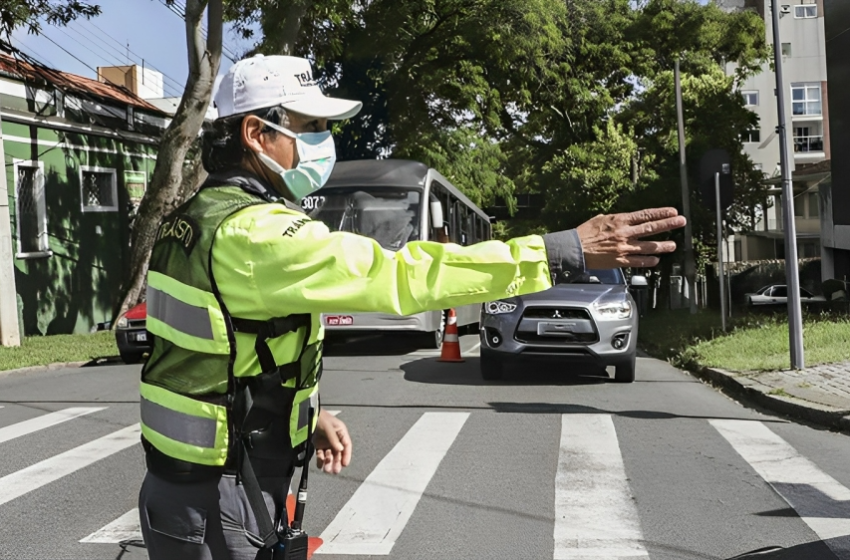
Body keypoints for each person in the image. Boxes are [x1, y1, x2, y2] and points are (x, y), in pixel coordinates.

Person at [137, 53, 686, 560]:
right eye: (311, 127)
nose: (325, 141)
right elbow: (406, 274)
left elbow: (214, 352)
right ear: (256, 133)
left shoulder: (195, 219)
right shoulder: (257, 233)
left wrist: (309, 414)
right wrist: (560, 250)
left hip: (190, 478)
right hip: (224, 493)